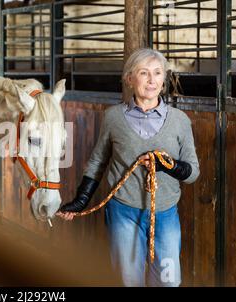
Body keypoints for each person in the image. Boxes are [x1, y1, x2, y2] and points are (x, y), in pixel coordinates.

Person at [57, 48, 200, 287]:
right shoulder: (113, 117)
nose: (152, 80)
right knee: (127, 281)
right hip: (123, 211)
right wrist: (81, 200)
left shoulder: (179, 121)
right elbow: (98, 162)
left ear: (164, 79)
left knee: (168, 282)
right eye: (144, 73)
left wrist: (168, 165)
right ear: (130, 79)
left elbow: (193, 173)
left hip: (164, 214)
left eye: (157, 73)